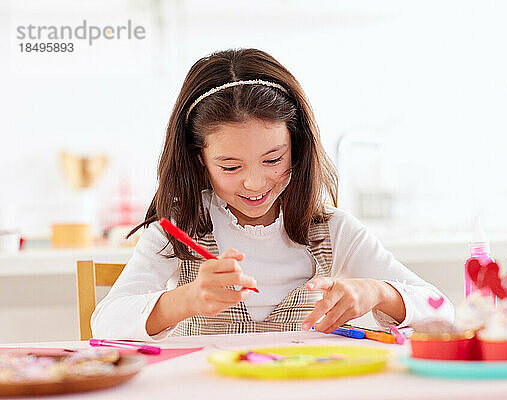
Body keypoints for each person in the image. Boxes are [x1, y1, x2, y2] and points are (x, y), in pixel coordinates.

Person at [91, 48, 453, 340]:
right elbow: (105, 322)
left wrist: (377, 293)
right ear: (199, 160)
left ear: (297, 147)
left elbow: (441, 308)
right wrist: (184, 300)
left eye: (273, 159)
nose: (254, 183)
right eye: (231, 167)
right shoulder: (180, 227)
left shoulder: (331, 229)